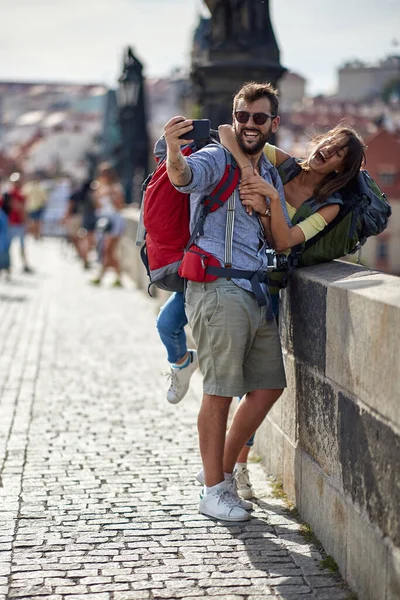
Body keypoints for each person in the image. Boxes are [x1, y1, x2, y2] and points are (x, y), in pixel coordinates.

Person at [164, 82, 292, 522]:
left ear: (273, 123)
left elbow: (282, 239)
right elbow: (183, 178)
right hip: (218, 286)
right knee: (219, 391)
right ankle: (214, 488)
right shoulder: (216, 158)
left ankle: (222, 474)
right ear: (234, 118)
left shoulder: (271, 175)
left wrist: (271, 200)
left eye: (259, 118)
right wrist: (173, 152)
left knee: (269, 385)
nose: (250, 125)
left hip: (257, 290)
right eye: (242, 116)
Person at [91, 163, 126, 287]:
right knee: (106, 250)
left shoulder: (116, 187)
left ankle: (101, 276)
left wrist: (110, 195)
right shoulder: (99, 187)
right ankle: (117, 276)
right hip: (104, 221)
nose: (103, 176)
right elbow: (97, 206)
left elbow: (120, 206)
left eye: (106, 173)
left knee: (108, 250)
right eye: (102, 173)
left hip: (115, 221)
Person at [6, 174, 33, 274]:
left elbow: (23, 210)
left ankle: (23, 264)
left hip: (17, 224)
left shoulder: (19, 195)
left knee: (20, 246)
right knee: (8, 246)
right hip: (12, 224)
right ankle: (8, 266)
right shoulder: (9, 195)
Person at [23, 174, 48, 240]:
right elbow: (44, 199)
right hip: (37, 207)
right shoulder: (40, 187)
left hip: (31, 207)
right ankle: (36, 234)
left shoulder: (29, 187)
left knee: (34, 222)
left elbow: (24, 195)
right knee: (37, 222)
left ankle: (35, 234)